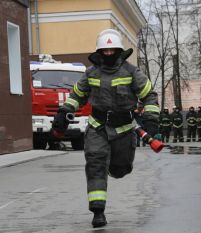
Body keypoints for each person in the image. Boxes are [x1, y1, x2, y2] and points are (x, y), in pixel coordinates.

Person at [51, 29, 161, 228]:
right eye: (105, 51)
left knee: (121, 169)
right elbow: (77, 96)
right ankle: (98, 211)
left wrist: (151, 120)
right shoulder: (91, 73)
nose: (108, 54)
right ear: (99, 53)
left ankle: (114, 167)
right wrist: (64, 114)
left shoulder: (132, 72)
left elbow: (149, 95)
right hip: (97, 127)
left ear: (119, 51)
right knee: (95, 164)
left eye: (112, 51)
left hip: (124, 128)